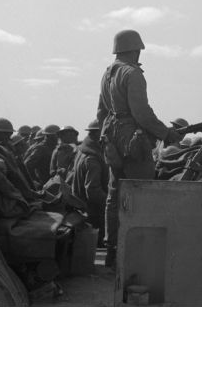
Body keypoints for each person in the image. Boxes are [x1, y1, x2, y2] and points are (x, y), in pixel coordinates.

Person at [97, 29, 182, 268]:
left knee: (114, 196)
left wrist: (107, 137)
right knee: (142, 193)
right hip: (131, 139)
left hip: (112, 137)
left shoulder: (108, 73)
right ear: (135, 49)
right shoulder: (132, 73)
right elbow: (142, 113)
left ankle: (112, 249)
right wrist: (166, 133)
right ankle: (139, 254)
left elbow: (101, 112)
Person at [71, 120, 108, 246]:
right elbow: (93, 191)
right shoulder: (92, 159)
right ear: (99, 134)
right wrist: (111, 202)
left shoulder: (82, 151)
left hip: (83, 208)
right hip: (92, 212)